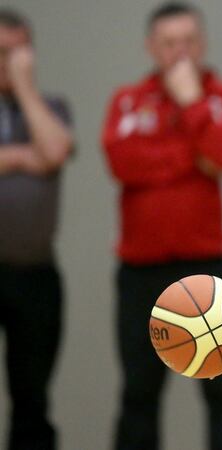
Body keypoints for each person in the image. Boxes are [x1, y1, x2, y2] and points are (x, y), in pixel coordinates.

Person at [100, 3, 222, 449]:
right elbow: (122, 161)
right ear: (152, 47)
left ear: (202, 44)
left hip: (212, 267)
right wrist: (192, 158)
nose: (180, 52)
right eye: (169, 43)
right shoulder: (127, 101)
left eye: (188, 41)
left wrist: (191, 104)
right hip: (141, 271)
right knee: (139, 390)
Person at [0, 8, 73, 450]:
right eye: (4, 52)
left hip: (33, 273)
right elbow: (39, 157)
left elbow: (54, 150)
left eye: (21, 51)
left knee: (31, 397)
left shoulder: (52, 106)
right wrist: (21, 158)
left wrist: (24, 86)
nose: (12, 60)